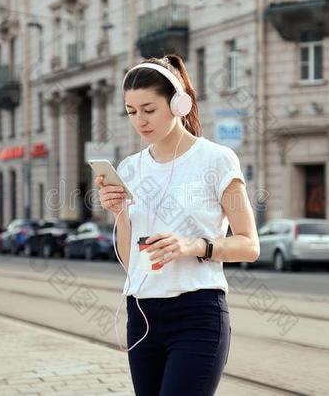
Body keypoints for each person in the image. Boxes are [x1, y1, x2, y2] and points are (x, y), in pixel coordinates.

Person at [96, 54, 260, 396]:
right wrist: (120, 214)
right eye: (131, 111)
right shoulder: (129, 168)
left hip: (197, 314)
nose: (140, 120)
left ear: (178, 103)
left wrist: (193, 245)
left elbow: (249, 244)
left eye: (149, 109)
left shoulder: (216, 159)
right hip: (141, 314)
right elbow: (132, 264)